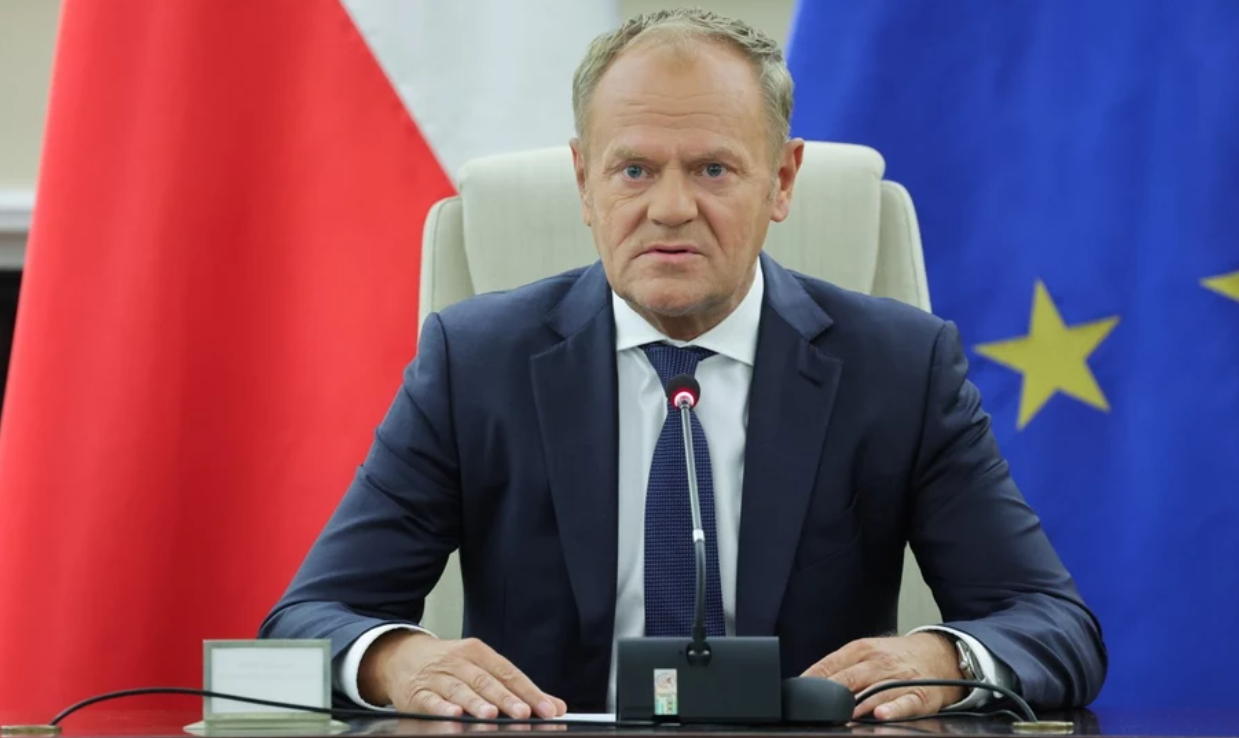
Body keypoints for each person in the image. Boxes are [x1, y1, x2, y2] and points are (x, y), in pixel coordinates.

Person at [260, 8, 1107, 722]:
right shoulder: (475, 363)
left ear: (781, 181)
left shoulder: (899, 368)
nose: (670, 208)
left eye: (712, 169)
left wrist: (942, 658)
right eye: (633, 170)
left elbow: (1054, 626)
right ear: (584, 183)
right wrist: (394, 661)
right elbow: (303, 624)